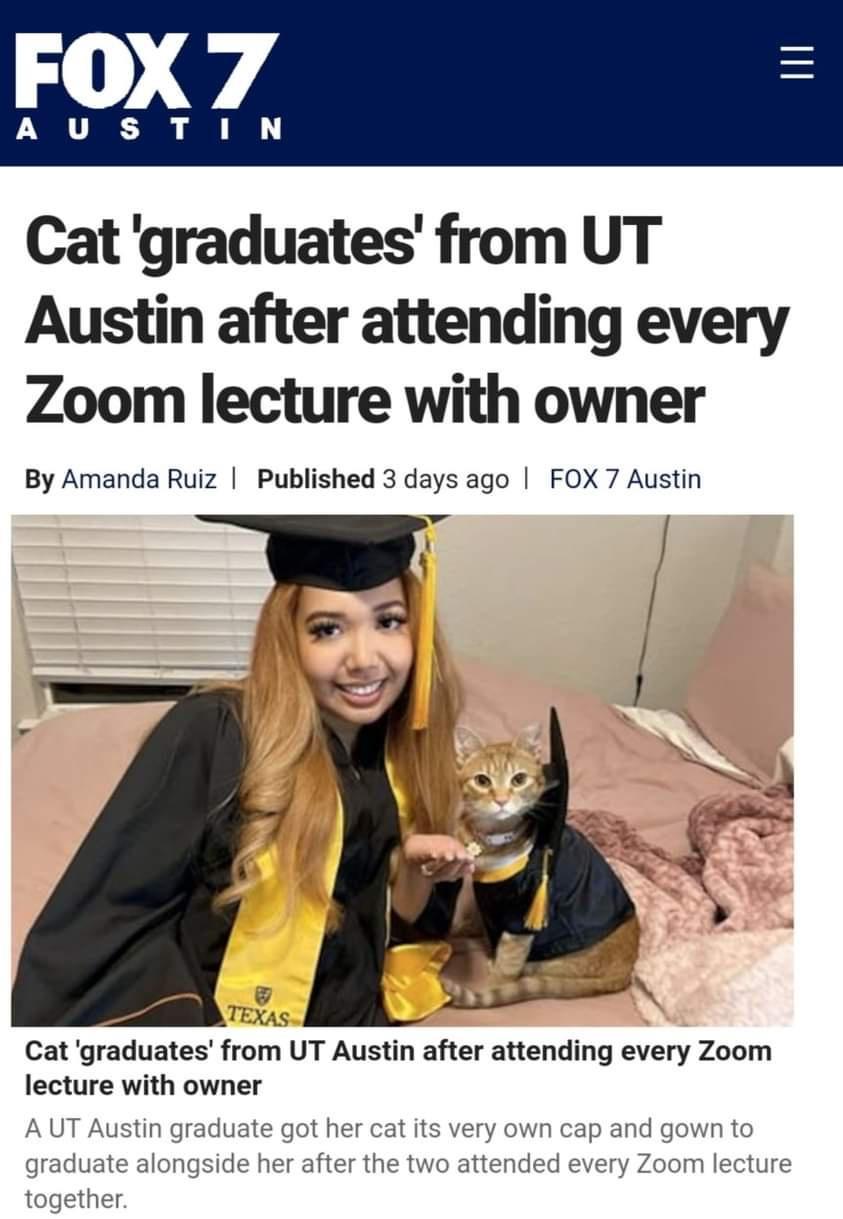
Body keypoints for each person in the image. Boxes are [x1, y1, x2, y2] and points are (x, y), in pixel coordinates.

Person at [12, 515, 473, 1028]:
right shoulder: (217, 731)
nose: (364, 659)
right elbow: (112, 914)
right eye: (327, 629)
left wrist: (411, 872)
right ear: (288, 639)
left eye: (389, 622)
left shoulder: (403, 750)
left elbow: (398, 931)